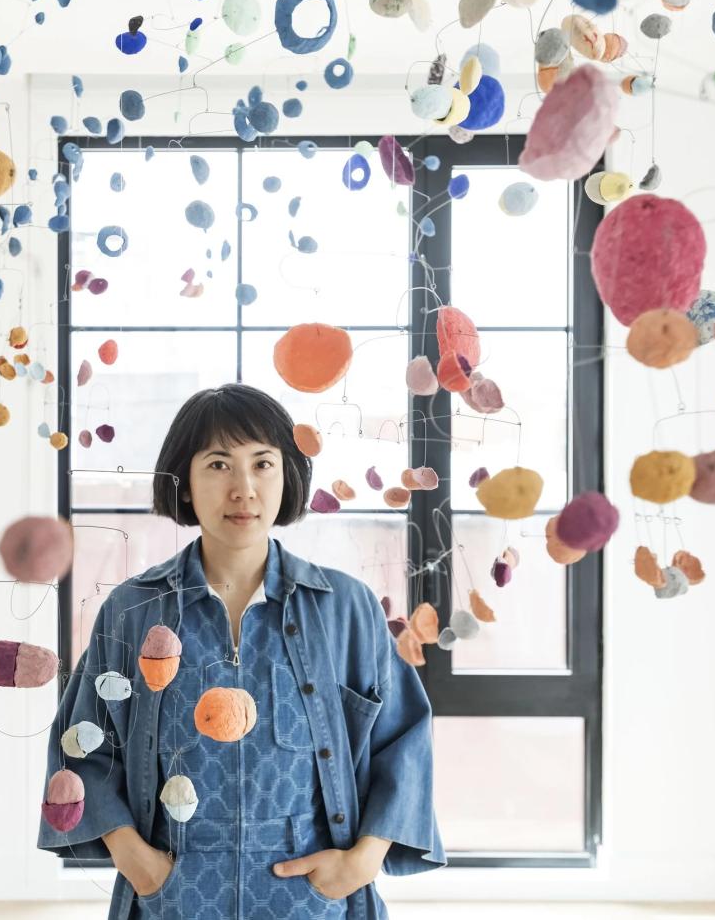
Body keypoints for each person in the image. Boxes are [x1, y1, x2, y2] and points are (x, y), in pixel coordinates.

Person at [38, 383, 445, 918]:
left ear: (287, 476)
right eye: (218, 465)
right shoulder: (133, 610)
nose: (243, 488)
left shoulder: (347, 607)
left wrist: (362, 862)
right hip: (173, 892)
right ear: (184, 482)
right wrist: (138, 862)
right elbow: (81, 743)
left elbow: (403, 739)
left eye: (262, 463)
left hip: (315, 897)